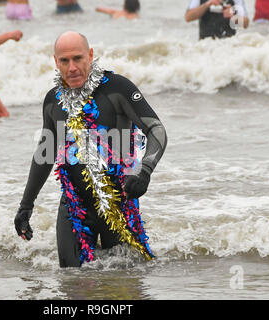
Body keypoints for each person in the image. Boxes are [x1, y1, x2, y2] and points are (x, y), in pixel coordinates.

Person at [14, 31, 168, 268]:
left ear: (91, 55)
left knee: (123, 286)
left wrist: (144, 170)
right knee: (71, 282)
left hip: (118, 204)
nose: (72, 67)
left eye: (78, 58)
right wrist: (26, 206)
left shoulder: (117, 88)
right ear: (56, 61)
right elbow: (44, 154)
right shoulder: (53, 101)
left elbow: (156, 129)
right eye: (64, 61)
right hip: (74, 207)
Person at [185, 0, 250, 40]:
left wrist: (233, 16)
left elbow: (246, 24)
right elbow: (188, 17)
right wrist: (207, 4)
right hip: (205, 45)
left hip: (229, 44)